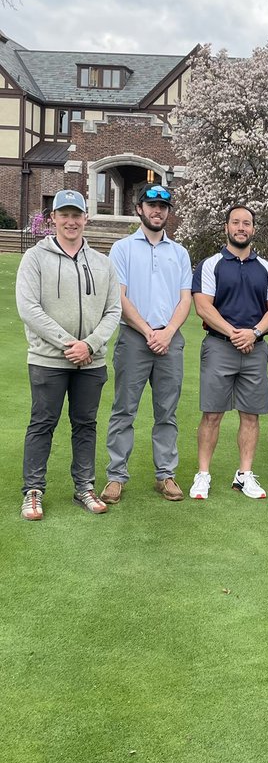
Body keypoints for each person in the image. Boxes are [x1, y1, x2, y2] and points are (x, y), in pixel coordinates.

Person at [16, 189, 121, 519]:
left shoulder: (102, 263)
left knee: (85, 424)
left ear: (85, 218)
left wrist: (88, 345)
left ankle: (84, 487)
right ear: (54, 219)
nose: (71, 221)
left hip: (91, 361)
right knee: (42, 423)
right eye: (65, 215)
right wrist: (69, 344)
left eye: (77, 215)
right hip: (49, 360)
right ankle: (33, 491)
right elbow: (29, 308)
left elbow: (113, 310)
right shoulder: (35, 257)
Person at [101, 184, 193, 504]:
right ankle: (116, 476)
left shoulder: (179, 253)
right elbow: (120, 296)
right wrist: (147, 331)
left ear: (168, 212)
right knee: (124, 410)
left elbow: (185, 300)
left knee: (166, 411)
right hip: (133, 339)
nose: (157, 211)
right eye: (151, 205)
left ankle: (165, 474)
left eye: (163, 207)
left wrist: (167, 333)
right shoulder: (123, 248)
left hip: (170, 340)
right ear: (140, 208)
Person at [190, 204, 268, 500]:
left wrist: (253, 333)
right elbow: (203, 306)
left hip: (255, 349)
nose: (241, 227)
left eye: (246, 223)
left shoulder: (267, 269)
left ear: (253, 230)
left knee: (251, 416)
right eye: (235, 222)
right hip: (220, 346)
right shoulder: (211, 264)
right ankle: (203, 474)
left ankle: (244, 474)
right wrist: (234, 333)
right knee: (212, 414)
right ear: (226, 228)